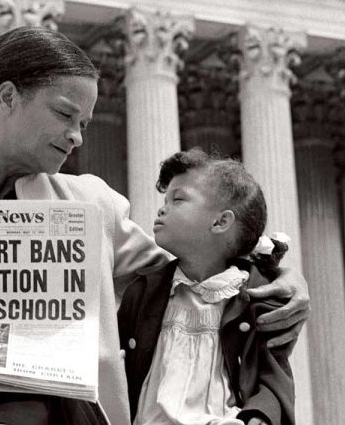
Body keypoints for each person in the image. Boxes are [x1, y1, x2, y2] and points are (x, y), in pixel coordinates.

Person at [0, 26, 309, 425]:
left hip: (58, 400)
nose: (75, 137)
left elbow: (193, 267)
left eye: (85, 124)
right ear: (7, 96)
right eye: (64, 114)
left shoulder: (91, 202)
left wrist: (275, 273)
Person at [118, 149, 295, 425]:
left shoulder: (254, 297)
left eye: (178, 199)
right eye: (164, 199)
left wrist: (260, 417)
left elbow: (272, 376)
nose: (161, 208)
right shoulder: (141, 293)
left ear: (220, 222)